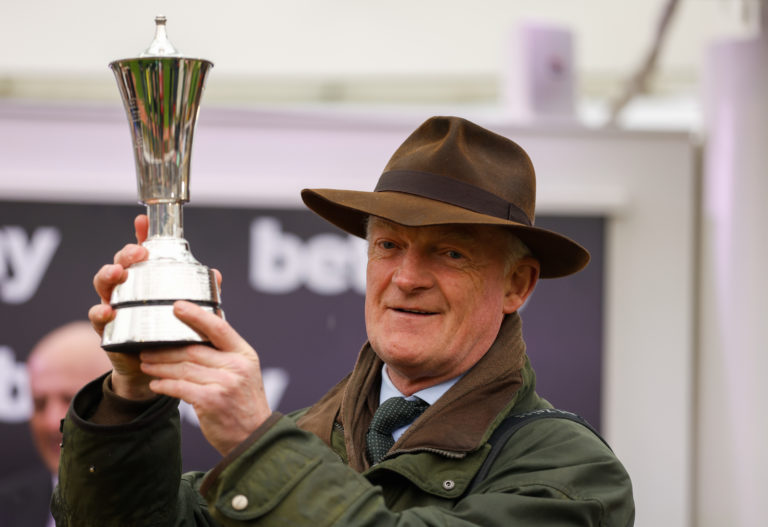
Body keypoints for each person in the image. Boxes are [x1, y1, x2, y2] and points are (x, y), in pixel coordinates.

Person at [52, 116, 634, 525]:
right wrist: (130, 398)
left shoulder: (572, 472)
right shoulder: (305, 436)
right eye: (388, 246)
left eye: (450, 253)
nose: (406, 277)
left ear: (517, 284)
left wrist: (258, 446)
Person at [0, 321, 111, 527]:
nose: (52, 423)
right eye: (39, 404)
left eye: (70, 400)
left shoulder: (176, 513)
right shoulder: (4, 511)